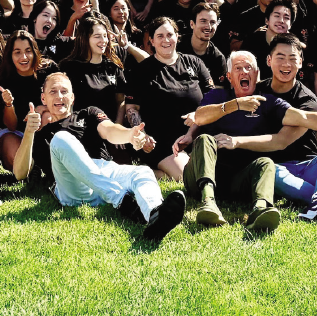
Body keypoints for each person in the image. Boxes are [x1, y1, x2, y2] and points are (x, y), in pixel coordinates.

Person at [182, 49, 317, 233]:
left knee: (266, 164)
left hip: (238, 180)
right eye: (238, 68)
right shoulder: (218, 96)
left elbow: (307, 118)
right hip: (201, 176)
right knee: (205, 139)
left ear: (257, 74)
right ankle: (208, 202)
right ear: (229, 76)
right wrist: (236, 105)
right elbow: (200, 116)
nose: (244, 72)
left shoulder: (267, 102)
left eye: (249, 68)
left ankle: (262, 209)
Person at [11, 73, 187, 242]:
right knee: (61, 138)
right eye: (53, 92)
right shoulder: (41, 134)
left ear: (72, 97)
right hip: (72, 186)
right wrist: (28, 132)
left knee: (142, 172)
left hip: (103, 171)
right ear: (43, 99)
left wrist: (130, 135)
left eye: (64, 92)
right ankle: (123, 201)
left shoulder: (88, 114)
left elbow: (109, 130)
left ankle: (155, 214)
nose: (59, 96)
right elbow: (19, 173)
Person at [123, 17, 214, 181]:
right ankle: (153, 171)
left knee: (215, 173)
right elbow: (131, 109)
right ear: (151, 40)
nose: (166, 40)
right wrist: (143, 137)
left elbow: (212, 99)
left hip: (198, 135)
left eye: (170, 35)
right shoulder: (141, 71)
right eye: (160, 36)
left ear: (177, 37)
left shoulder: (195, 63)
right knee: (190, 177)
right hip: (162, 143)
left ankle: (159, 175)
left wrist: (196, 120)